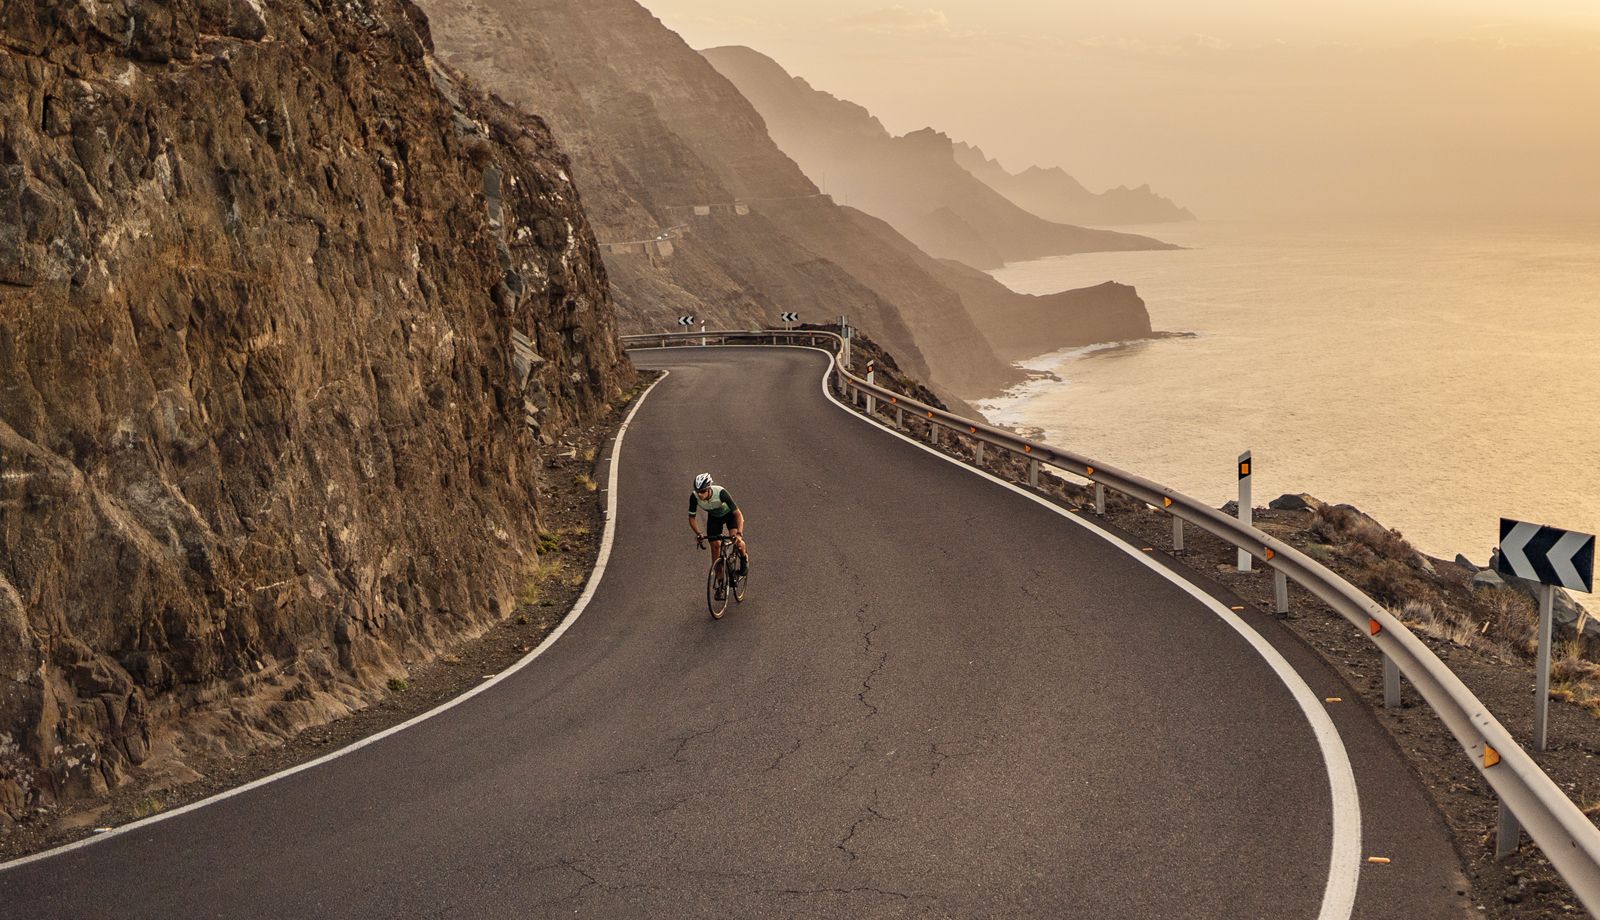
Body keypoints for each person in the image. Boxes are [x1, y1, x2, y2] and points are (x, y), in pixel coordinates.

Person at [688, 473, 748, 594]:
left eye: (702, 491)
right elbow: (691, 517)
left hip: (730, 516)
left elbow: (738, 514)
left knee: (737, 542)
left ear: (709, 488)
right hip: (714, 518)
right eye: (698, 491)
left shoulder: (721, 493)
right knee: (715, 547)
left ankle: (744, 559)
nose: (700, 494)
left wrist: (739, 533)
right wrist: (698, 533)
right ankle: (720, 583)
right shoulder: (694, 497)